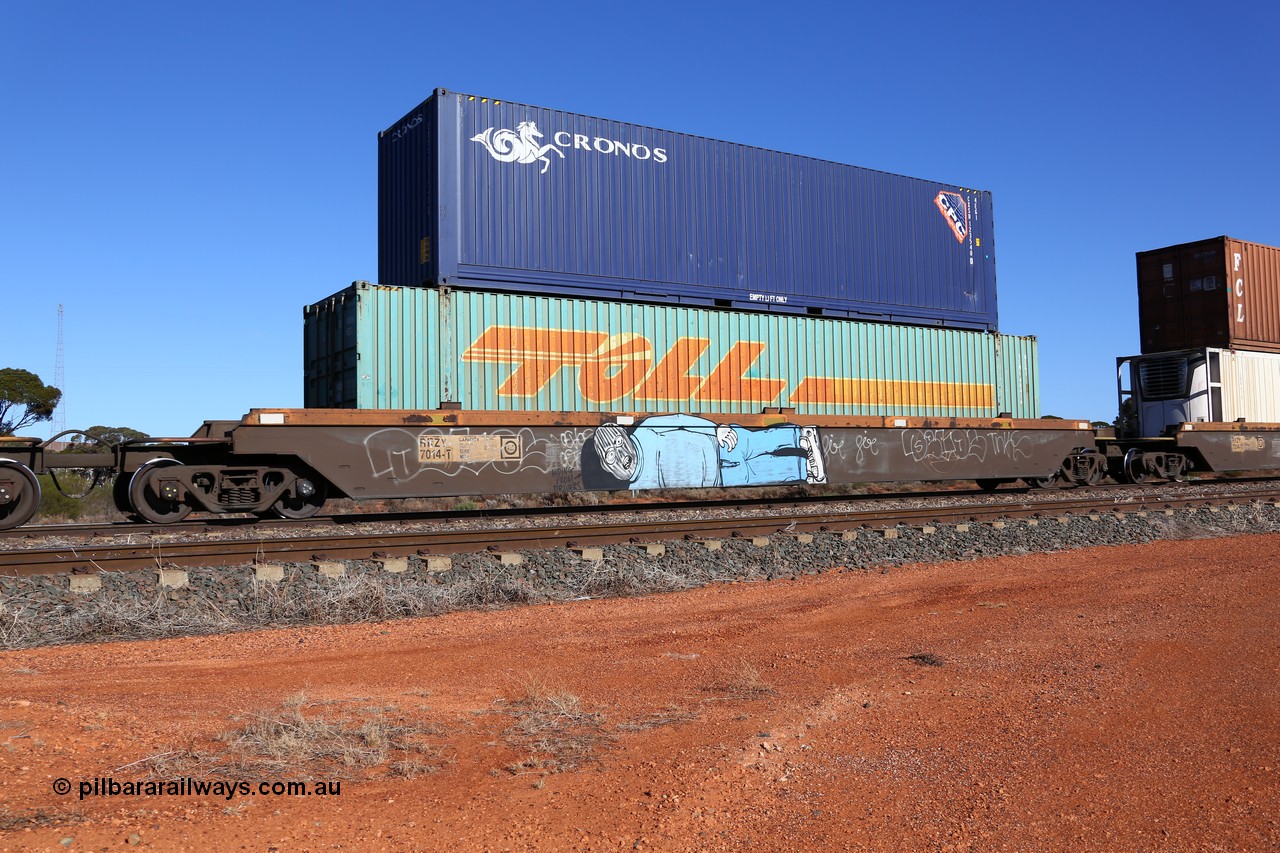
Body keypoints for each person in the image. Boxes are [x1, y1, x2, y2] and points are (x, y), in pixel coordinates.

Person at [589, 414, 825, 491]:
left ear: (625, 436)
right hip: (719, 478)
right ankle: (806, 469)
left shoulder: (645, 430)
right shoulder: (634, 485)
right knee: (759, 473)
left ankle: (800, 436)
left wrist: (715, 429)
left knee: (753, 442)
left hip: (717, 445)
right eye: (610, 455)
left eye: (618, 443)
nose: (620, 456)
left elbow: (680, 419)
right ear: (605, 464)